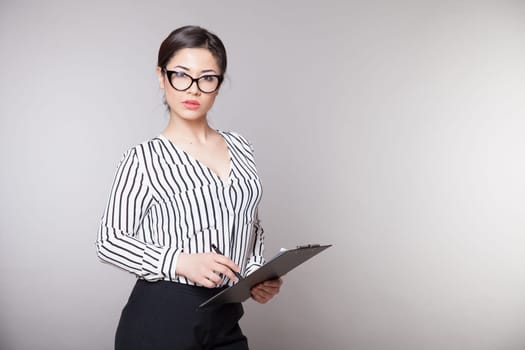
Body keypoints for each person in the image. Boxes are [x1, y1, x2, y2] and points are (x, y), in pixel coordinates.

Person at [96, 25, 282, 350]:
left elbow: (250, 223)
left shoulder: (240, 146)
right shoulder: (144, 158)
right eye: (181, 75)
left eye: (207, 78)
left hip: (225, 313)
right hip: (162, 316)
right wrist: (179, 261)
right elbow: (109, 242)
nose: (193, 89)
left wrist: (255, 275)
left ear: (219, 85)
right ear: (161, 76)